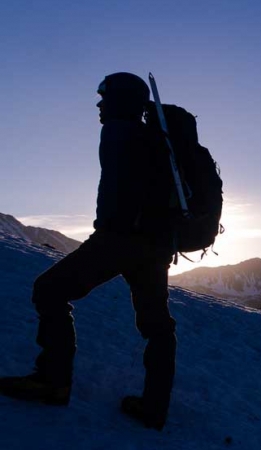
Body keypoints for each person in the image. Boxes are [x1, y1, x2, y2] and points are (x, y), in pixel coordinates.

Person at [0, 72, 177, 431]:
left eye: (104, 96)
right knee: (157, 326)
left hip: (120, 239)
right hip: (156, 245)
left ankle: (52, 381)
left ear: (120, 101)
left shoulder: (118, 131)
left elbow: (117, 192)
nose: (99, 104)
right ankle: (154, 407)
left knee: (49, 290)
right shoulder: (156, 140)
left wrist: (109, 232)